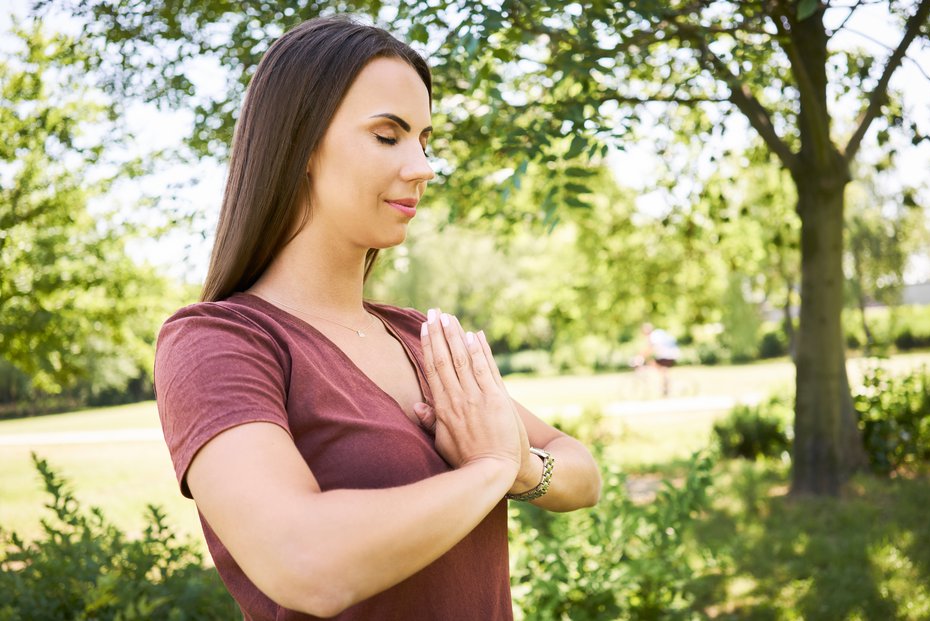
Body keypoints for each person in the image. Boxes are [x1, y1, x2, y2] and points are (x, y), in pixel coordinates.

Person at [153, 16, 601, 621]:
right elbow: (306, 565)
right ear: (300, 144)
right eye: (388, 136)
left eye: (425, 139)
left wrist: (521, 464)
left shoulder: (419, 336)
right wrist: (491, 467)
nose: (423, 167)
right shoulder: (218, 342)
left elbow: (583, 472)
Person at [636, 322, 680, 397]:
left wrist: (640, 357)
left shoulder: (653, 336)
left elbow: (650, 348)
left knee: (657, 367)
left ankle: (666, 387)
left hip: (667, 355)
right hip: (669, 354)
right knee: (661, 369)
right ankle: (665, 387)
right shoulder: (656, 334)